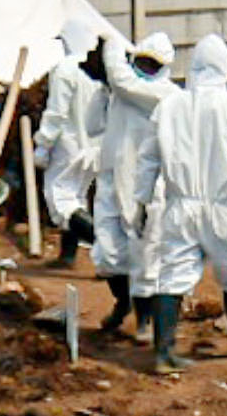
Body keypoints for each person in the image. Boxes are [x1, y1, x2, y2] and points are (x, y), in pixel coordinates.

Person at [130, 34, 227, 372]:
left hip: (179, 205)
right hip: (224, 206)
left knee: (172, 274)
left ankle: (164, 352)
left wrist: (142, 202)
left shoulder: (169, 106)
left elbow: (147, 159)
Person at [90, 30, 177, 338]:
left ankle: (144, 322)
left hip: (146, 187)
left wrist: (111, 43)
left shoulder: (165, 95)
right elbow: (94, 125)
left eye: (152, 65)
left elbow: (122, 79)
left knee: (145, 255)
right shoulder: (121, 92)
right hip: (112, 179)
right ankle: (123, 303)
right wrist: (101, 89)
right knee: (108, 253)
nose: (145, 69)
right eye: (141, 61)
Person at [34, 17, 106, 266]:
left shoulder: (65, 69)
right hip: (96, 145)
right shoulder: (100, 67)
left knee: (61, 200)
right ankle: (67, 255)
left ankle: (109, 253)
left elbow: (57, 112)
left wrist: (43, 143)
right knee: (78, 197)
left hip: (69, 144)